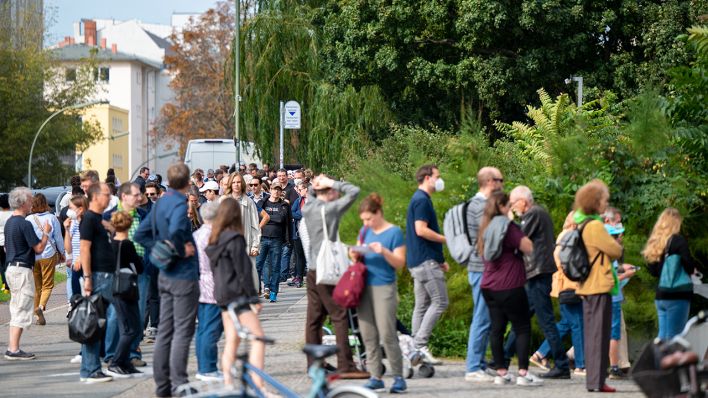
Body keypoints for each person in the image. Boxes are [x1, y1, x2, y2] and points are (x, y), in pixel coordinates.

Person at [134, 163, 200, 397]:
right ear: (187, 182)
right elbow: (175, 231)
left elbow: (141, 234)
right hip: (183, 275)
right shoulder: (179, 205)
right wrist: (180, 249)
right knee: (182, 330)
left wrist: (158, 250)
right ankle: (180, 382)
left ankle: (163, 385)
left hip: (164, 275)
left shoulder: (159, 203)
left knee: (165, 331)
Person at [302, 174, 369, 379]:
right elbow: (354, 191)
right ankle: (346, 364)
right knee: (339, 315)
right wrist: (331, 182)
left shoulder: (307, 208)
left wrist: (316, 186)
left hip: (312, 270)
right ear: (329, 192)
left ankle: (314, 364)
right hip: (327, 270)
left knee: (314, 318)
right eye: (333, 191)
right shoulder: (330, 210)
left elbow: (312, 195)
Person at [477, 191, 542, 387]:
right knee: (522, 327)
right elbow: (528, 246)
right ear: (504, 207)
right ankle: (523, 373)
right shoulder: (508, 226)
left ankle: (501, 372)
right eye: (509, 205)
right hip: (510, 284)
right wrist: (514, 224)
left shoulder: (485, 227)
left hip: (489, 285)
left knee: (496, 329)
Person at [505, 186, 570, 378]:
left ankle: (562, 365)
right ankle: (505, 356)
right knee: (521, 317)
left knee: (546, 320)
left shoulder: (533, 213)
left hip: (537, 274)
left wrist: (509, 221)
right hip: (536, 273)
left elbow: (518, 238)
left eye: (513, 203)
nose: (512, 207)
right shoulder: (537, 213)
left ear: (523, 201)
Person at [206, 198, 266, 389]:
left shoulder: (215, 240)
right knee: (258, 338)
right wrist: (254, 298)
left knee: (232, 340)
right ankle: (259, 385)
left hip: (222, 295)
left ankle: (228, 383)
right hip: (237, 295)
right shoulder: (235, 239)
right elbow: (244, 271)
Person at [354, 193, 408, 393]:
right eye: (364, 220)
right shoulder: (364, 230)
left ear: (378, 213)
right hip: (363, 286)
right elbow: (357, 256)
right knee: (368, 333)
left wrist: (384, 251)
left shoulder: (394, 232)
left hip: (384, 285)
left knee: (387, 332)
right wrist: (355, 253)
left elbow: (400, 263)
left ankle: (398, 376)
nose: (366, 223)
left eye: (369, 218)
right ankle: (375, 375)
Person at [574, 180, 623, 393]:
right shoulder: (595, 226)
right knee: (599, 335)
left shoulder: (583, 222)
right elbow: (615, 250)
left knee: (593, 334)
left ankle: (594, 380)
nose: (606, 203)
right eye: (604, 200)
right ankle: (597, 381)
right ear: (595, 202)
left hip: (587, 286)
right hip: (598, 285)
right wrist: (615, 238)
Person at [532, 212, 586, 377]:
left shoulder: (564, 236)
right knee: (577, 325)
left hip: (564, 285)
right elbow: (568, 264)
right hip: (569, 285)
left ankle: (540, 354)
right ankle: (581, 365)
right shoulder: (570, 237)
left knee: (567, 324)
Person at [103, 183, 149, 369]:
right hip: (118, 273)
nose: (140, 198)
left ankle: (132, 353)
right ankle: (112, 354)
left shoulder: (143, 216)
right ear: (124, 197)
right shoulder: (109, 217)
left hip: (141, 270)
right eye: (136, 195)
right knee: (115, 315)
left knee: (137, 314)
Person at [405, 164, 448, 365]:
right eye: (437, 176)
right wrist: (445, 239)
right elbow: (421, 230)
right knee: (440, 302)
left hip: (420, 261)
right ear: (427, 178)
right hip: (424, 262)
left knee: (421, 305)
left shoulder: (420, 199)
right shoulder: (421, 200)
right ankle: (419, 346)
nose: (440, 181)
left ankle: (415, 350)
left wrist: (441, 260)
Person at [464, 167, 504, 382]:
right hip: (481, 267)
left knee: (487, 317)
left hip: (481, 267)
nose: (502, 184)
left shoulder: (476, 204)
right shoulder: (479, 206)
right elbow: (489, 237)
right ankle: (472, 367)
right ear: (490, 181)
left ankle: (478, 362)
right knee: (481, 317)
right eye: (500, 180)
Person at [4, 187, 51, 360]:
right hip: (22, 268)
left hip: (11, 267)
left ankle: (12, 347)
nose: (32, 203)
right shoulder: (24, 224)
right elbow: (38, 248)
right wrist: (46, 233)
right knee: (22, 308)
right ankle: (14, 349)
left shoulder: (10, 222)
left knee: (16, 306)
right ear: (23, 202)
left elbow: (7, 247)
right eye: (30, 199)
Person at [642, 208, 697, 341]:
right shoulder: (678, 241)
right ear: (676, 223)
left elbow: (654, 271)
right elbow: (688, 266)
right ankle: (669, 362)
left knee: (662, 336)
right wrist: (693, 269)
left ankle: (658, 361)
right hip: (677, 295)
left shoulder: (656, 243)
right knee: (675, 338)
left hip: (661, 295)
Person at [79, 183, 115, 383]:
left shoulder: (99, 220)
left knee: (100, 323)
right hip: (98, 276)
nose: (109, 198)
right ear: (95, 196)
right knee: (94, 323)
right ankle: (90, 369)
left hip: (105, 275)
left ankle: (92, 366)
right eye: (106, 194)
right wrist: (87, 277)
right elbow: (84, 249)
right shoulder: (89, 219)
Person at [105, 211, 145, 378]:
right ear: (129, 225)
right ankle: (117, 361)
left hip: (115, 288)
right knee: (131, 329)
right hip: (127, 288)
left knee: (127, 327)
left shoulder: (111, 244)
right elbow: (139, 266)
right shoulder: (127, 244)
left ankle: (125, 362)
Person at [221, 172, 268, 294]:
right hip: (228, 246)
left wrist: (255, 245)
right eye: (234, 182)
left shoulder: (249, 201)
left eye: (238, 182)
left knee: (249, 278)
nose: (236, 185)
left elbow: (255, 226)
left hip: (246, 245)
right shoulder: (224, 200)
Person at [193, 202, 225, 382]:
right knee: (211, 329)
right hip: (213, 284)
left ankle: (203, 365)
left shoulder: (196, 235)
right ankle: (208, 367)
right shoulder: (215, 236)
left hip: (199, 284)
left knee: (203, 328)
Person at [26, 193, 65, 326]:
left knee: (37, 286)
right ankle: (41, 307)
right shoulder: (52, 218)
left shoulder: (29, 219)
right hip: (48, 254)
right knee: (47, 284)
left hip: (34, 255)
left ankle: (38, 317)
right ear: (45, 203)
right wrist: (62, 252)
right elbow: (58, 237)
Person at [605, 223, 636, 379]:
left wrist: (623, 268)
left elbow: (612, 271)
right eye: (616, 236)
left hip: (603, 298)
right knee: (614, 334)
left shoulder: (602, 253)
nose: (620, 238)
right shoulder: (610, 254)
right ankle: (614, 368)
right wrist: (627, 275)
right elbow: (611, 278)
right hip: (613, 297)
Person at [255, 183, 292, 302]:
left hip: (277, 239)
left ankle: (273, 291)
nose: (276, 192)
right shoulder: (262, 203)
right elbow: (259, 217)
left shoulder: (284, 205)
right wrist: (273, 217)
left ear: (281, 192)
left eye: (278, 190)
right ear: (270, 190)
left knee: (276, 266)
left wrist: (268, 217)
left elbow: (282, 219)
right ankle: (259, 289)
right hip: (262, 237)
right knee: (259, 265)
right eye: (274, 189)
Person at [63, 194, 88, 364]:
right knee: (77, 305)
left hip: (85, 266)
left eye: (71, 208)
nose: (69, 211)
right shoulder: (73, 224)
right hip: (75, 267)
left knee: (88, 308)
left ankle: (87, 348)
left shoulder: (87, 222)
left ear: (80, 209)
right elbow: (68, 248)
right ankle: (83, 347)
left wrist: (81, 259)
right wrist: (66, 229)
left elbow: (88, 246)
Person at [288, 181, 308, 288]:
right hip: (298, 233)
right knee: (299, 256)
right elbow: (292, 212)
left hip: (311, 233)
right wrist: (302, 214)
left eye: (300, 190)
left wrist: (300, 213)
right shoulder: (298, 200)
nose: (298, 192)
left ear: (306, 189)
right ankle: (299, 277)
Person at [1, 193, 12, 292]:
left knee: (1, 264)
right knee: (8, 263)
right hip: (8, 242)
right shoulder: (12, 215)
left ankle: (4, 283)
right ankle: (8, 283)